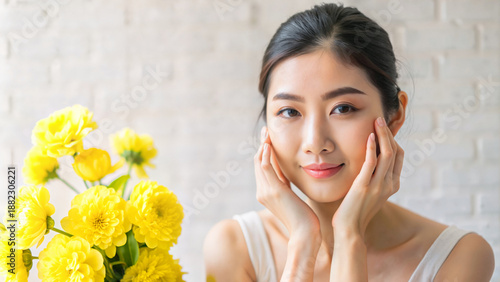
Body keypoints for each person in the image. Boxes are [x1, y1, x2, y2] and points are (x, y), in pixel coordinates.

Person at [203, 3, 495, 281]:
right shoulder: (233, 248)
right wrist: (303, 243)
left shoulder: (458, 257)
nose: (315, 142)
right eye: (290, 111)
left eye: (342, 108)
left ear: (395, 116)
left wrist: (349, 236)